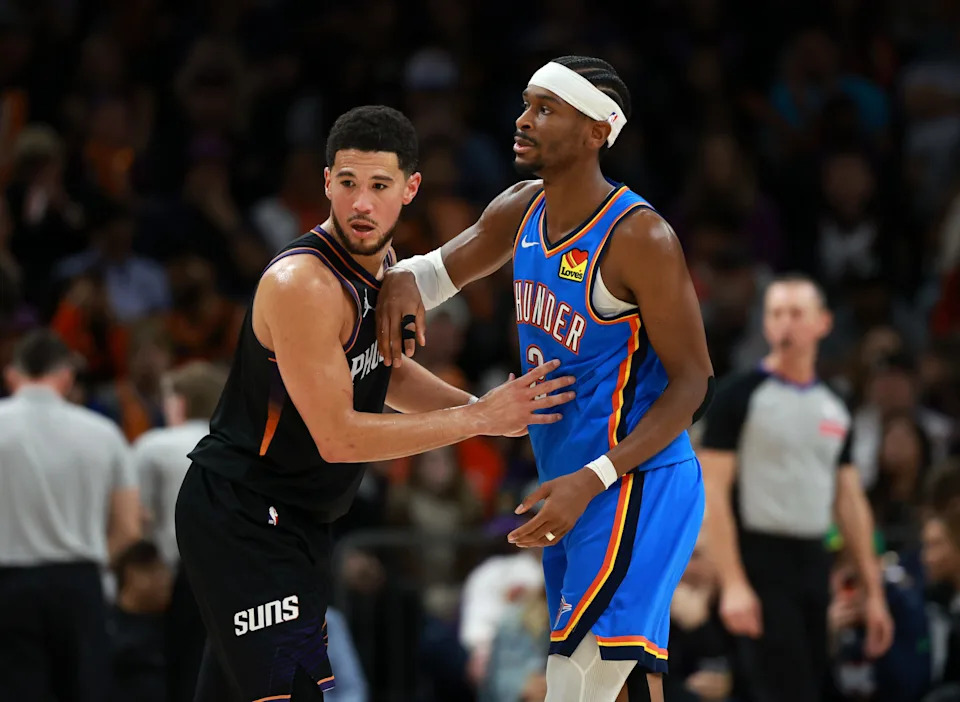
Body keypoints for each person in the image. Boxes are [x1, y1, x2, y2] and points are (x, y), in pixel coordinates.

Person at [174, 105, 575, 702]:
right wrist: (477, 417)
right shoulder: (304, 284)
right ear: (326, 182)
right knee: (297, 691)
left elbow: (384, 373)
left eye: (380, 186)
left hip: (298, 518)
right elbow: (338, 436)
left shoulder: (382, 267)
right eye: (348, 183)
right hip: (245, 514)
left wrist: (487, 413)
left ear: (410, 189)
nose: (361, 203)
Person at [377, 56, 715, 702]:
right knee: (619, 683)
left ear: (596, 132)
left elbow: (694, 383)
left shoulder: (640, 236)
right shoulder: (520, 208)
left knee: (580, 683)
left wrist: (594, 478)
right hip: (573, 487)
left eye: (545, 109)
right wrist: (398, 280)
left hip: (634, 483)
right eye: (526, 104)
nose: (523, 120)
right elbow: (436, 273)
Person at [697, 274, 895, 702]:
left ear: (823, 322)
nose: (786, 323)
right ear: (766, 324)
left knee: (812, 682)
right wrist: (732, 582)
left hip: (814, 558)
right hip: (758, 559)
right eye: (776, 314)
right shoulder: (738, 397)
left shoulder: (834, 406)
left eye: (796, 313)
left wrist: (874, 591)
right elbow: (712, 492)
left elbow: (850, 500)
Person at [0, 328, 141, 702]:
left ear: (11, 375)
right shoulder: (103, 433)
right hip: (79, 583)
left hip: (8, 585)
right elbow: (129, 528)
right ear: (67, 376)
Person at [133, 359, 228, 702]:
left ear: (181, 401)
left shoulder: (155, 446)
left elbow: (138, 516)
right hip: (238, 575)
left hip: (175, 577)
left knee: (178, 672)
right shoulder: (244, 445)